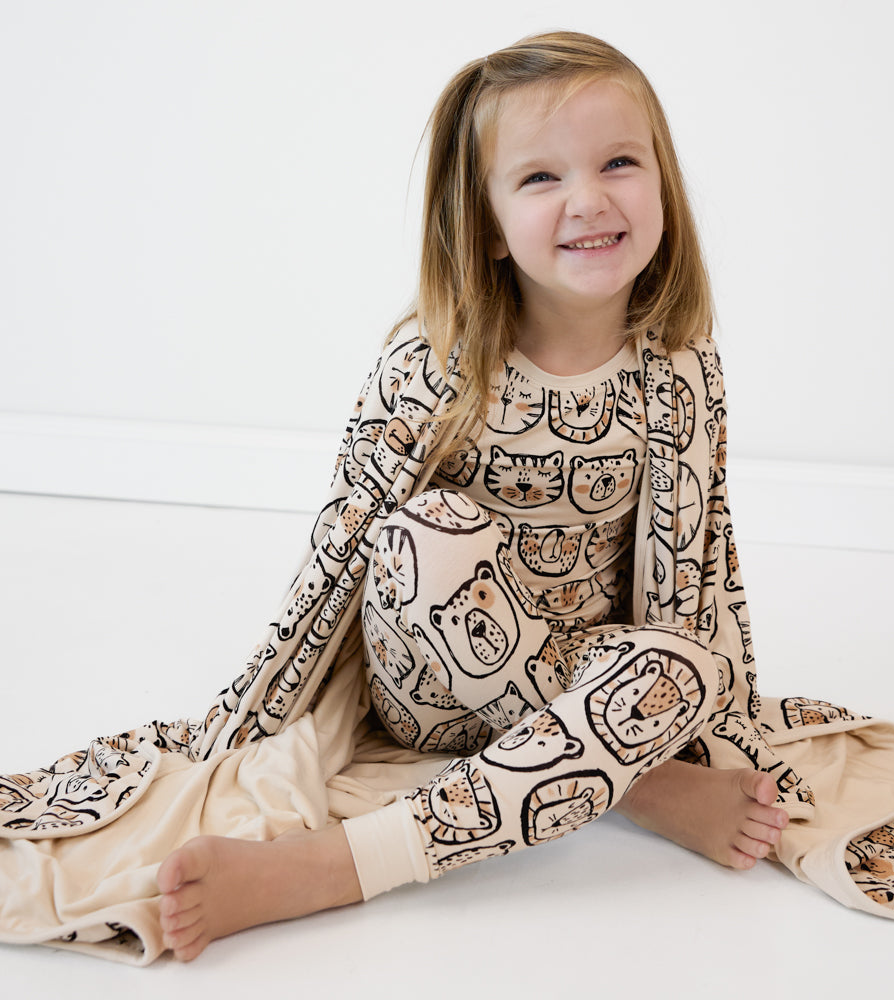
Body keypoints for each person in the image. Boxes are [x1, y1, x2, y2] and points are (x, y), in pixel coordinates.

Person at [154, 30, 790, 960]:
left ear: (664, 185)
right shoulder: (431, 363)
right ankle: (354, 861)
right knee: (429, 530)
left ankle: (605, 776)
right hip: (433, 679)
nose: (589, 200)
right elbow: (344, 548)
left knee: (691, 664)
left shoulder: (681, 368)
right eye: (540, 178)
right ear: (487, 222)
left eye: (620, 161)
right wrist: (246, 721)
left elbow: (696, 564)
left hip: (589, 678)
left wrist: (710, 723)